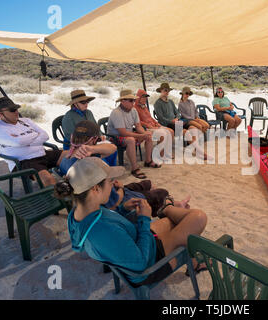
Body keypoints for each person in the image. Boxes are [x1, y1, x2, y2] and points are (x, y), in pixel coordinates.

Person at [54, 157, 208, 286]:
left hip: (132, 245)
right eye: (110, 181)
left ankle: (167, 210)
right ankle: (166, 209)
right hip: (148, 266)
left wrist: (122, 210)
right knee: (198, 218)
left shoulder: (79, 213)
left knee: (179, 223)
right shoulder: (102, 231)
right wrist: (143, 219)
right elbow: (140, 263)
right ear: (95, 189)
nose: (113, 184)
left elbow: (106, 227)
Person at [60, 121, 191, 216]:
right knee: (161, 192)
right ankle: (170, 205)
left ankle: (160, 201)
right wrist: (121, 190)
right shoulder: (89, 165)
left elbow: (112, 148)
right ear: (94, 139)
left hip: (110, 188)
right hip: (116, 199)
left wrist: (92, 148)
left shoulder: (67, 157)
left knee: (148, 183)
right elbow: (111, 203)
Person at [0, 97, 68, 186]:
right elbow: (18, 142)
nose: (16, 112)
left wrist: (25, 141)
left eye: (16, 109)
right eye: (12, 110)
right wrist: (35, 135)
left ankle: (76, 188)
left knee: (73, 155)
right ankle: (57, 198)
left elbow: (45, 135)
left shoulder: (25, 121)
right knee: (48, 180)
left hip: (43, 154)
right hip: (23, 162)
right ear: (1, 114)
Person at [107, 90, 162, 179]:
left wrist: (145, 134)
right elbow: (122, 132)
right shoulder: (116, 113)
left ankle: (148, 161)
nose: (133, 102)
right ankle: (134, 168)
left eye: (133, 100)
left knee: (148, 136)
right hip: (115, 137)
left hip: (128, 133)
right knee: (131, 140)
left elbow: (138, 126)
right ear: (122, 101)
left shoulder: (133, 110)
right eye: (131, 100)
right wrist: (140, 136)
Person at [62, 89, 117, 165]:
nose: (86, 104)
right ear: (75, 104)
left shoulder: (89, 112)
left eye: (87, 101)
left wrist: (100, 135)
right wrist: (90, 143)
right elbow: (71, 138)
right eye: (83, 102)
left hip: (91, 141)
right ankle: (104, 169)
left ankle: (109, 169)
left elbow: (95, 126)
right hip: (75, 145)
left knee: (111, 148)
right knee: (100, 157)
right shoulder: (68, 117)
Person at [133, 89, 174, 160]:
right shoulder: (135, 108)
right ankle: (161, 154)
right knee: (163, 133)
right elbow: (137, 122)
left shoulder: (144, 107)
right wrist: (148, 125)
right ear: (139, 97)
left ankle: (167, 152)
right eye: (143, 97)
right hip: (146, 128)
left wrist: (157, 124)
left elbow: (150, 118)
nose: (145, 99)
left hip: (152, 125)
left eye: (146, 97)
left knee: (171, 131)